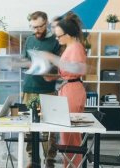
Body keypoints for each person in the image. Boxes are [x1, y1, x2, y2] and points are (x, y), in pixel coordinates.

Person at [45, 12, 87, 167]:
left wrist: (51, 58)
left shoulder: (75, 47)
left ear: (68, 34)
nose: (57, 39)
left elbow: (77, 68)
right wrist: (55, 77)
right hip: (68, 89)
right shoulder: (71, 47)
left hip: (72, 92)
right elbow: (69, 72)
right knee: (66, 134)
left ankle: (72, 165)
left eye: (59, 36)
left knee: (70, 135)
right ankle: (68, 165)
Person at [23, 11, 60, 168]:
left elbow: (60, 68)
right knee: (29, 126)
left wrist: (48, 70)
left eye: (39, 27)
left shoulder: (55, 41)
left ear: (46, 24)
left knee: (49, 128)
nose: (36, 30)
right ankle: (32, 158)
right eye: (33, 27)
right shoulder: (30, 39)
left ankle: (49, 160)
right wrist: (26, 64)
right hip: (29, 89)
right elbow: (25, 59)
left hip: (48, 90)